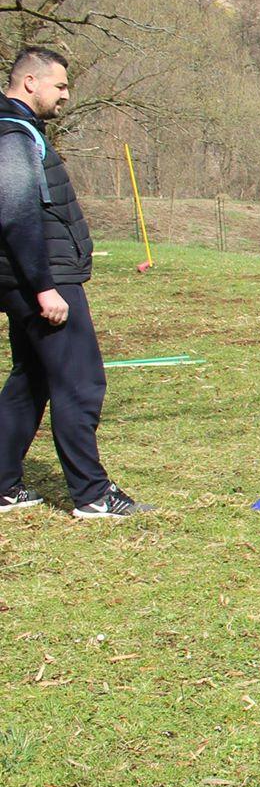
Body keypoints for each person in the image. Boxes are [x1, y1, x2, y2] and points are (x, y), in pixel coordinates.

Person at [0, 47, 149, 518]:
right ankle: (92, 494)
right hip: (44, 280)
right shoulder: (12, 132)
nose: (66, 95)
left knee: (32, 380)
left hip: (28, 277)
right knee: (80, 382)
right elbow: (18, 213)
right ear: (29, 83)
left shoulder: (18, 129)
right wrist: (45, 287)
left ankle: (2, 484)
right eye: (60, 86)